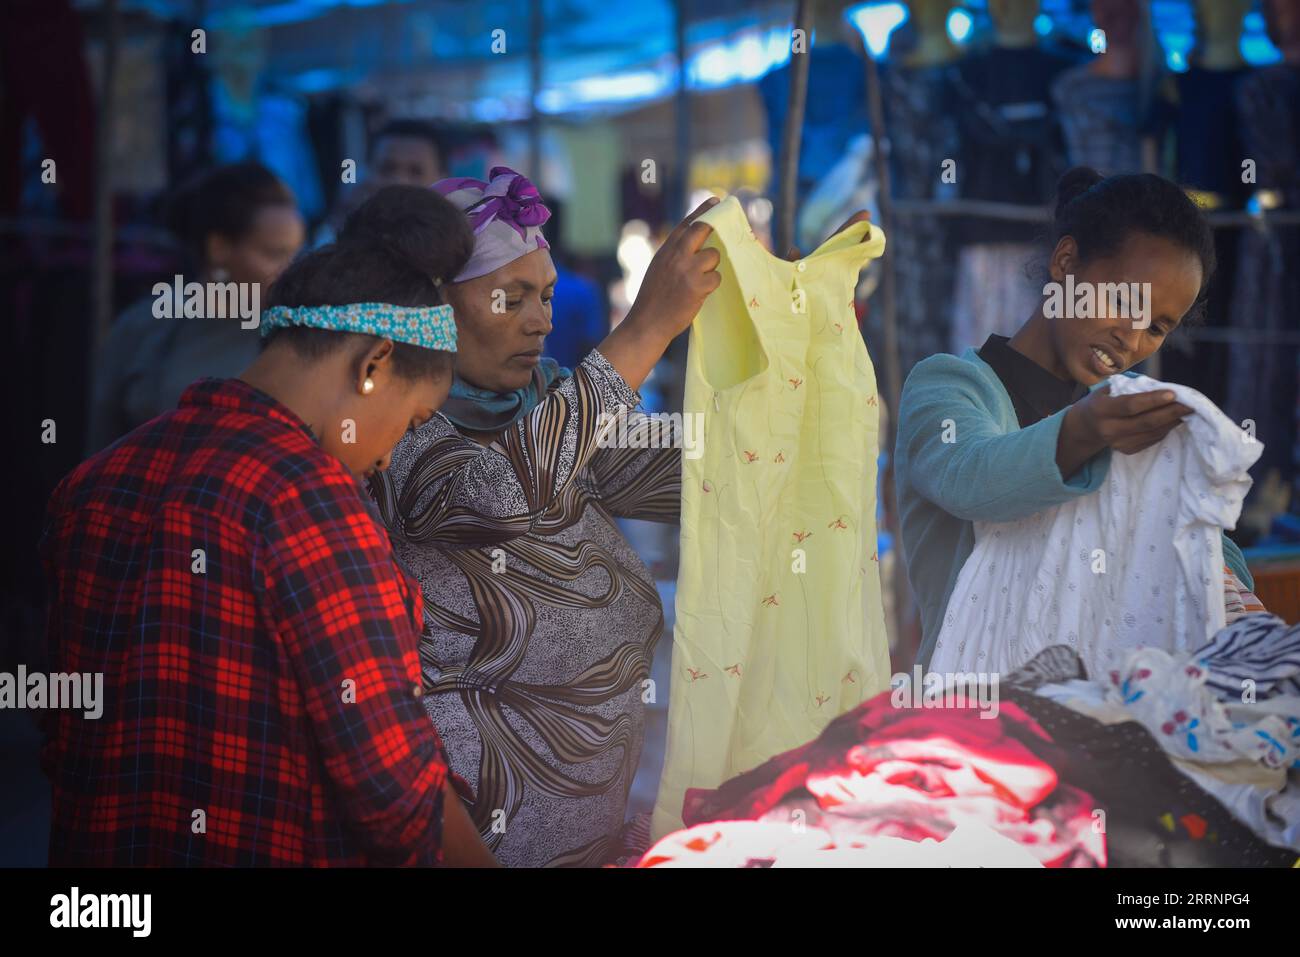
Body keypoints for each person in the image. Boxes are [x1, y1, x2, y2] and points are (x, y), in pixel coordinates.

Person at [40, 185, 495, 867]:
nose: (387, 457)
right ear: (374, 366)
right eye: (410, 423)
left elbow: (61, 734)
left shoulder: (94, 483)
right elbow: (394, 794)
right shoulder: (315, 507)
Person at [369, 167, 721, 867]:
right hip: (482, 829)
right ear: (435, 302)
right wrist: (646, 325)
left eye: (548, 295)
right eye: (513, 296)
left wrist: (787, 340)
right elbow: (496, 498)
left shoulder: (548, 394)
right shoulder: (390, 423)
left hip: (593, 813)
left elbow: (685, 483)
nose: (542, 320)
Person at [895, 167, 1257, 669]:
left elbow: (1212, 562)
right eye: (1123, 302)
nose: (1132, 340)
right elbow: (971, 479)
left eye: (1156, 326)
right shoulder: (948, 386)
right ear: (1066, 263)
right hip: (973, 715)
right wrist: (1086, 431)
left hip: (1099, 715)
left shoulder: (1129, 421)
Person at [87, 162, 305, 452]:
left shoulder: (297, 336)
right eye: (274, 254)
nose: (293, 270)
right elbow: (98, 450)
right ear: (218, 248)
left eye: (297, 252)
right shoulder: (143, 328)